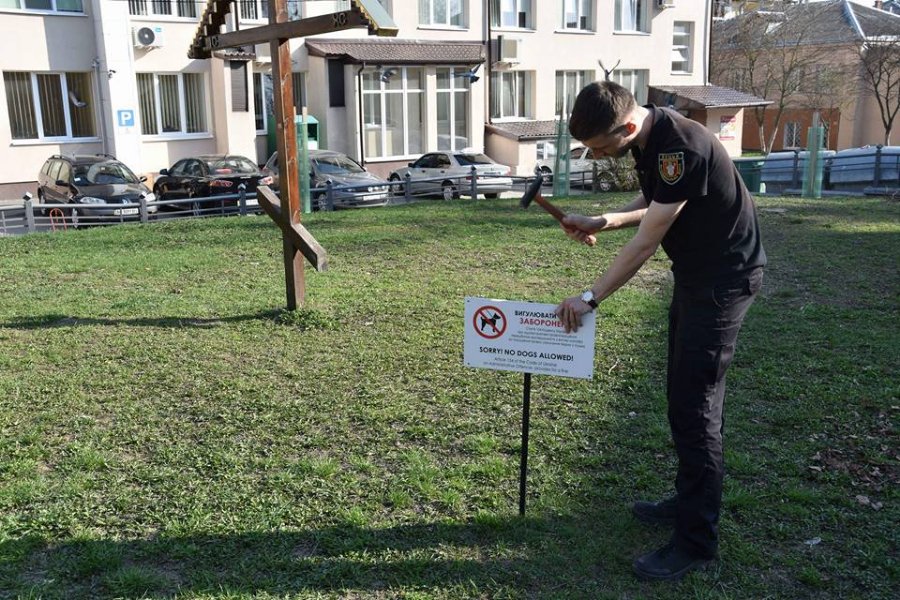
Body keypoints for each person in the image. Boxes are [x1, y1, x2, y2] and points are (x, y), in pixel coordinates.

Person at [553, 81, 766, 581]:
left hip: (723, 283)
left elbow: (649, 239)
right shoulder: (652, 138)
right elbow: (657, 202)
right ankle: (688, 499)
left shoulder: (681, 145)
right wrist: (605, 220)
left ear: (628, 126)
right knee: (683, 400)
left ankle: (696, 541)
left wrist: (589, 297)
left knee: (696, 411)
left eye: (600, 147)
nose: (595, 156)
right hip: (696, 278)